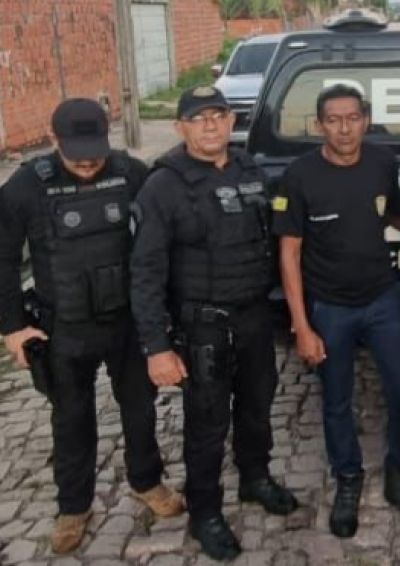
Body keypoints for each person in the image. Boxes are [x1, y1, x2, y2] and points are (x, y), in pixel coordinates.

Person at [0, 98, 183, 554]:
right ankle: (73, 506)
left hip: (127, 321)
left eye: (96, 152)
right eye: (77, 154)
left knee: (141, 408)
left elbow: (159, 244)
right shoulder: (24, 188)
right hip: (66, 327)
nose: (89, 162)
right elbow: (0, 260)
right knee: (71, 419)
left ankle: (146, 481)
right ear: (53, 139)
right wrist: (13, 326)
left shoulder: (132, 174)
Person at [129, 85, 298, 562]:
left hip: (253, 316)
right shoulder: (162, 186)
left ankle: (255, 477)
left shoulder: (250, 170)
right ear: (180, 127)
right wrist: (157, 347)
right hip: (202, 325)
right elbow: (145, 273)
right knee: (207, 423)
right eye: (198, 117)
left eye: (218, 115)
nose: (209, 125)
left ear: (230, 122)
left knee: (257, 406)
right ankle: (205, 511)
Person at [272, 84, 400, 539]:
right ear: (319, 125)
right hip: (329, 306)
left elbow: (395, 215)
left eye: (352, 118)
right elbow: (289, 253)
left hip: (382, 298)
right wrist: (302, 325)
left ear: (365, 120)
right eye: (334, 120)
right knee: (337, 399)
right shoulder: (300, 176)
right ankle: (347, 477)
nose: (344, 128)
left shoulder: (382, 162)